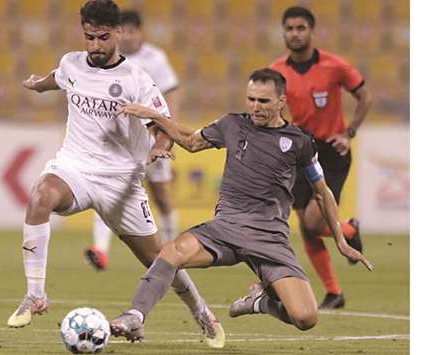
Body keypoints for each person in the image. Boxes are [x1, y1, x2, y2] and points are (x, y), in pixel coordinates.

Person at [6, 0, 225, 348]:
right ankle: (35, 295)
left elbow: (161, 123)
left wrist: (157, 146)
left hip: (121, 181)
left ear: (118, 33)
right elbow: (59, 78)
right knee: (40, 195)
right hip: (75, 168)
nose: (94, 46)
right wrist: (38, 85)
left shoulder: (136, 79)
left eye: (102, 38)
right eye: (89, 37)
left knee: (159, 260)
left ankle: (201, 311)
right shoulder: (71, 62)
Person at [108, 68, 372, 342]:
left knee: (306, 318)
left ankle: (261, 302)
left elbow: (322, 193)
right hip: (225, 229)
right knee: (171, 252)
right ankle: (135, 316)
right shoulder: (232, 125)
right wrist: (155, 117)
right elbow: (190, 142)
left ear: (281, 102)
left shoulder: (299, 142)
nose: (255, 107)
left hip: (269, 239)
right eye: (251, 99)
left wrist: (341, 241)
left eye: (264, 101)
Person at [269, 6, 373, 309]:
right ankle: (334, 291)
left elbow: (365, 96)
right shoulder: (277, 70)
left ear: (312, 31)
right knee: (306, 226)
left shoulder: (335, 65)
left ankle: (350, 230)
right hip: (298, 149)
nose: (295, 34)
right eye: (289, 28)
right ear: (284, 32)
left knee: (314, 223)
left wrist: (349, 132)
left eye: (300, 28)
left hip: (331, 150)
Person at [84, 10, 181, 272]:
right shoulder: (107, 58)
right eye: (122, 30)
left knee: (161, 195)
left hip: (152, 136)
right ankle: (100, 251)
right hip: (120, 141)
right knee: (105, 193)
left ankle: (173, 249)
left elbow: (170, 95)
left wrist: (168, 133)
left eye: (131, 30)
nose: (126, 35)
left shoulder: (155, 58)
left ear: (140, 31)